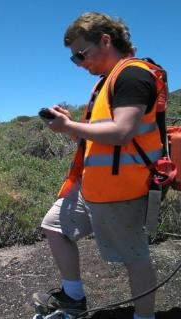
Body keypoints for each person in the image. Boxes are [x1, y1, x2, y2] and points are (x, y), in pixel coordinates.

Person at [32, 12, 166, 319]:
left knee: (135, 258)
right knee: (54, 226)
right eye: (73, 59)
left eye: (81, 53)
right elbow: (98, 140)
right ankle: (73, 297)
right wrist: (70, 126)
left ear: (105, 40)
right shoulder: (107, 82)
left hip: (123, 191)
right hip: (92, 187)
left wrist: (69, 126)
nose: (79, 63)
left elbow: (123, 132)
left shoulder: (133, 75)